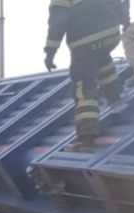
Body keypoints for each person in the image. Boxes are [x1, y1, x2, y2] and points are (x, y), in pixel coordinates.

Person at [44, 0, 129, 152]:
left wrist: (50, 51)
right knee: (102, 58)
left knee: (83, 88)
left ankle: (86, 139)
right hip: (111, 34)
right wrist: (125, 22)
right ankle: (116, 99)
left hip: (84, 39)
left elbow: (58, 21)